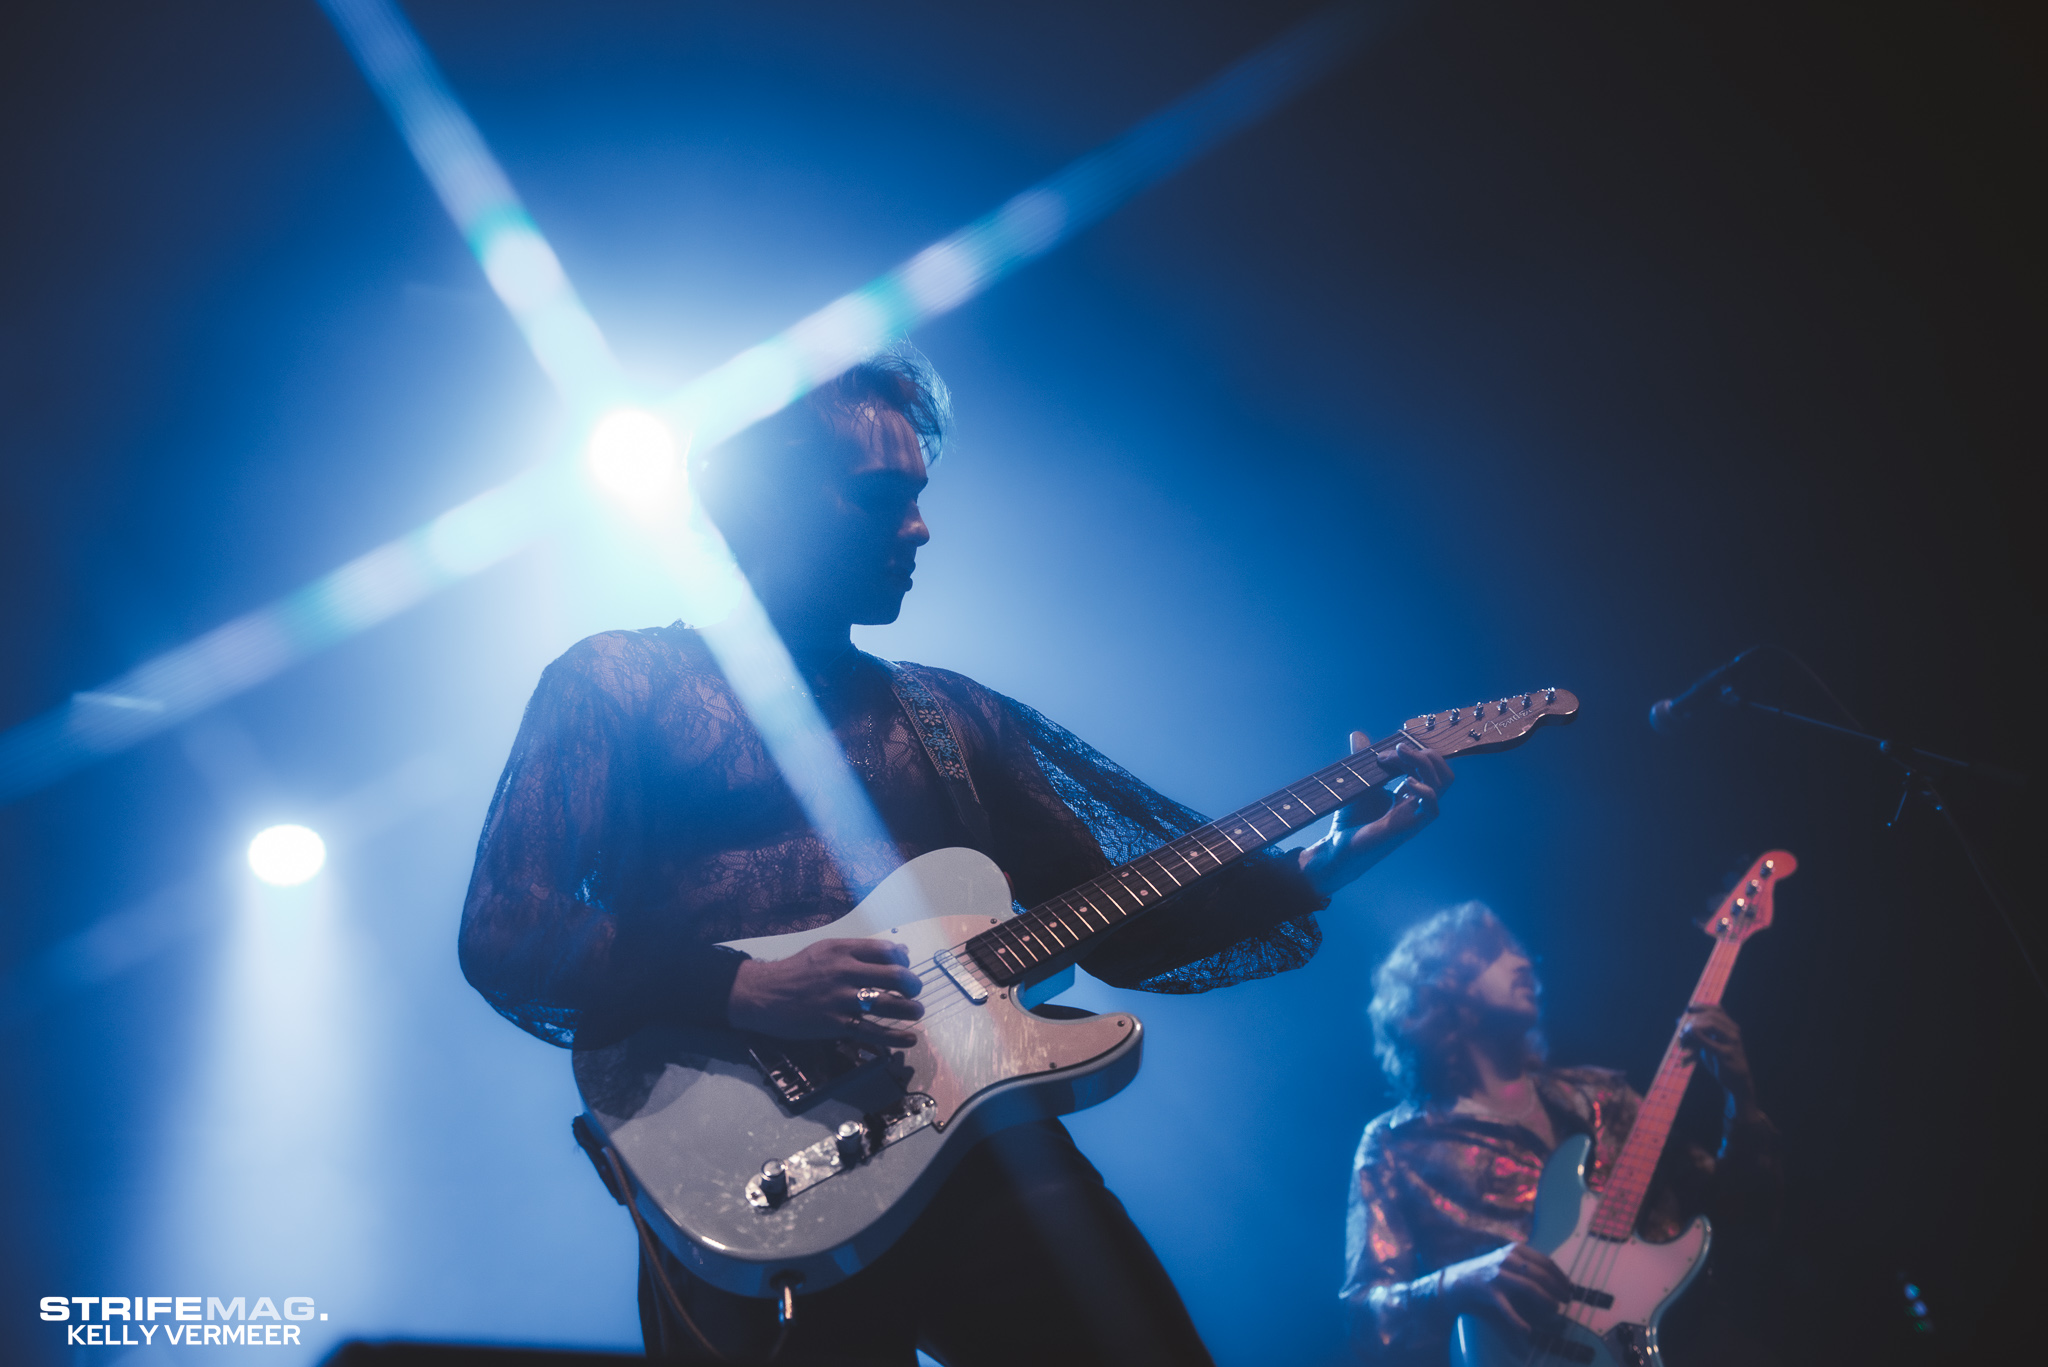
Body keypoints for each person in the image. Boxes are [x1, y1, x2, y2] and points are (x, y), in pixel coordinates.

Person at [457, 347, 1455, 1365]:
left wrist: (1320, 861)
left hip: (980, 1145)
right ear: (760, 500)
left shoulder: (947, 714)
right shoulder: (617, 680)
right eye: (879, 494)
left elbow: (1119, 916)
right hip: (742, 1167)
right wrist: (746, 986)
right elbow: (509, 925)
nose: (919, 526)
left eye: (920, 496)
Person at [1341, 902, 1783, 1364]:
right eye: (1494, 952)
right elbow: (1363, 1320)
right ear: (1437, 989)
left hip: (1683, 1346)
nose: (1523, 962)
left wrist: (1743, 1104)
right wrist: (1458, 1282)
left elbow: (1744, 1216)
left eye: (1520, 951)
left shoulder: (1602, 1095)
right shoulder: (1397, 1144)